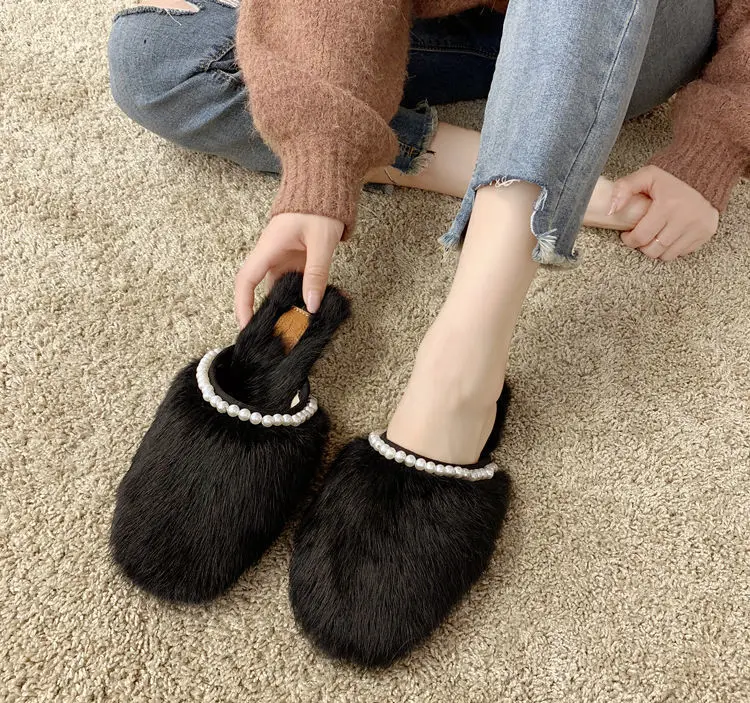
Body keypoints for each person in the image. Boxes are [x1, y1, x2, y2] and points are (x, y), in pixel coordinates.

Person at [108, 0, 749, 469]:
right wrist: (321, 154)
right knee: (153, 54)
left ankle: (464, 356)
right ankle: (572, 186)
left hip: (623, 35)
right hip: (433, 21)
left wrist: (717, 141)